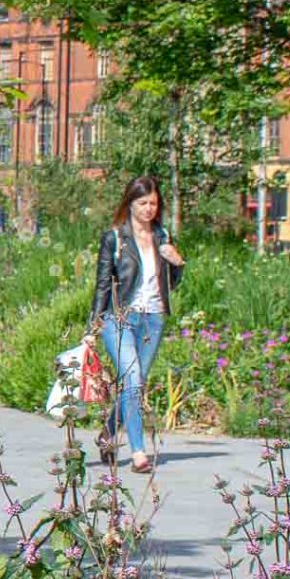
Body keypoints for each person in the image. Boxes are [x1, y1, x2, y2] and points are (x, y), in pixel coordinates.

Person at [91, 175, 188, 475]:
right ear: (130, 203)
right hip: (119, 317)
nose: (148, 209)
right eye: (142, 203)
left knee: (136, 383)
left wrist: (178, 263)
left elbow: (170, 283)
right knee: (131, 380)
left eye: (153, 204)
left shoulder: (163, 235)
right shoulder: (115, 238)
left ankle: (109, 431)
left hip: (153, 318)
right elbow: (103, 284)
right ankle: (138, 453)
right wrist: (91, 327)